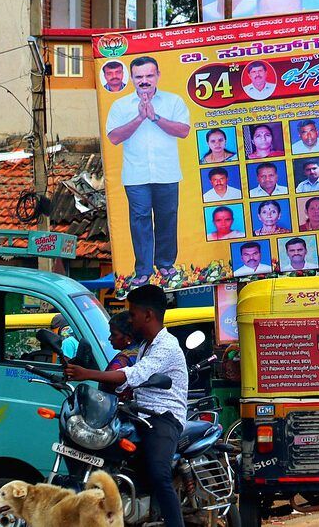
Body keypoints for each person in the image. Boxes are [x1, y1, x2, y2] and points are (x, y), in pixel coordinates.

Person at [65, 285, 190, 527]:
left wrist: (87, 374)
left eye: (132, 314)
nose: (130, 319)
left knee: (159, 474)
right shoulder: (145, 345)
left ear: (148, 315)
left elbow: (132, 375)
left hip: (163, 417)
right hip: (139, 413)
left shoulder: (166, 346)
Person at [106, 57, 191, 286]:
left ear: (158, 76)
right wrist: (140, 117)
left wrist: (155, 117)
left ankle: (165, 264)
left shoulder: (173, 102)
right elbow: (114, 137)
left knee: (167, 218)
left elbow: (183, 131)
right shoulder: (121, 106)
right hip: (136, 176)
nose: (144, 81)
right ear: (132, 78)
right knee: (140, 220)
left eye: (149, 76)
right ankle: (143, 270)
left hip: (167, 173)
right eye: (139, 77)